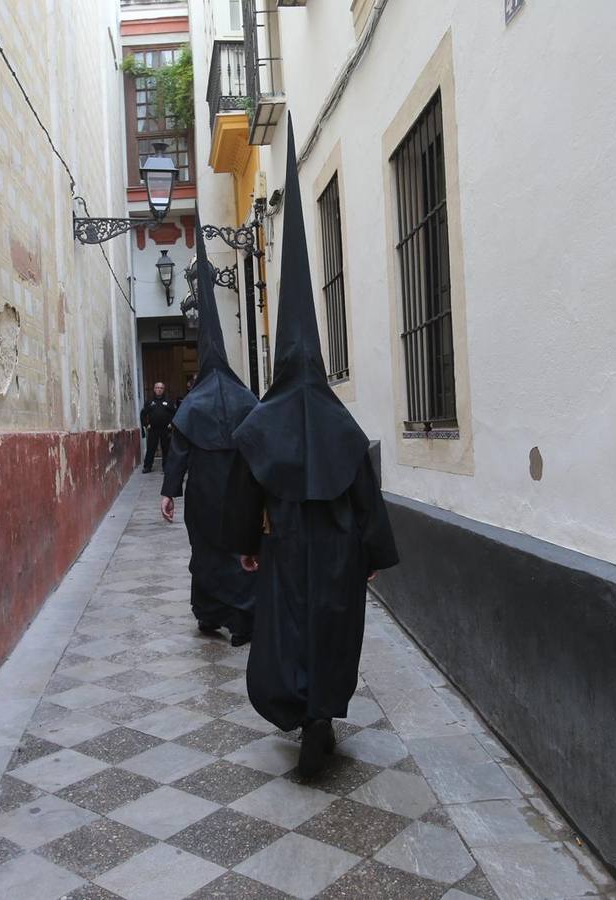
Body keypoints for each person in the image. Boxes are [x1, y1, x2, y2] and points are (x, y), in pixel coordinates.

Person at [222, 119, 399, 778]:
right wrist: (372, 555)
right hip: (337, 547)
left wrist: (245, 543)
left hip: (285, 543)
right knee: (333, 628)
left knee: (289, 630)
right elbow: (362, 488)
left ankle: (302, 717)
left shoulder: (262, 423)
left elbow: (246, 491)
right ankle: (321, 715)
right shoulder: (340, 421)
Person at [160, 223, 259, 645]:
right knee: (241, 552)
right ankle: (243, 619)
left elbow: (179, 452)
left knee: (207, 552)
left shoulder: (194, 404)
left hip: (203, 492)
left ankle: (209, 613)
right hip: (241, 494)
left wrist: (168, 491)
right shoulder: (247, 398)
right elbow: (261, 447)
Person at [139, 382, 175, 473]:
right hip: (153, 429)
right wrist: (146, 425)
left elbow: (175, 413)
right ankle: (147, 466)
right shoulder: (150, 402)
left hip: (166, 429)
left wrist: (172, 423)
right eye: (157, 388)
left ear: (163, 390)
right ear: (154, 389)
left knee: (166, 449)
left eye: (161, 388)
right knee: (151, 448)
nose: (159, 389)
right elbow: (143, 414)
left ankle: (166, 467)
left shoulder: (169, 401)